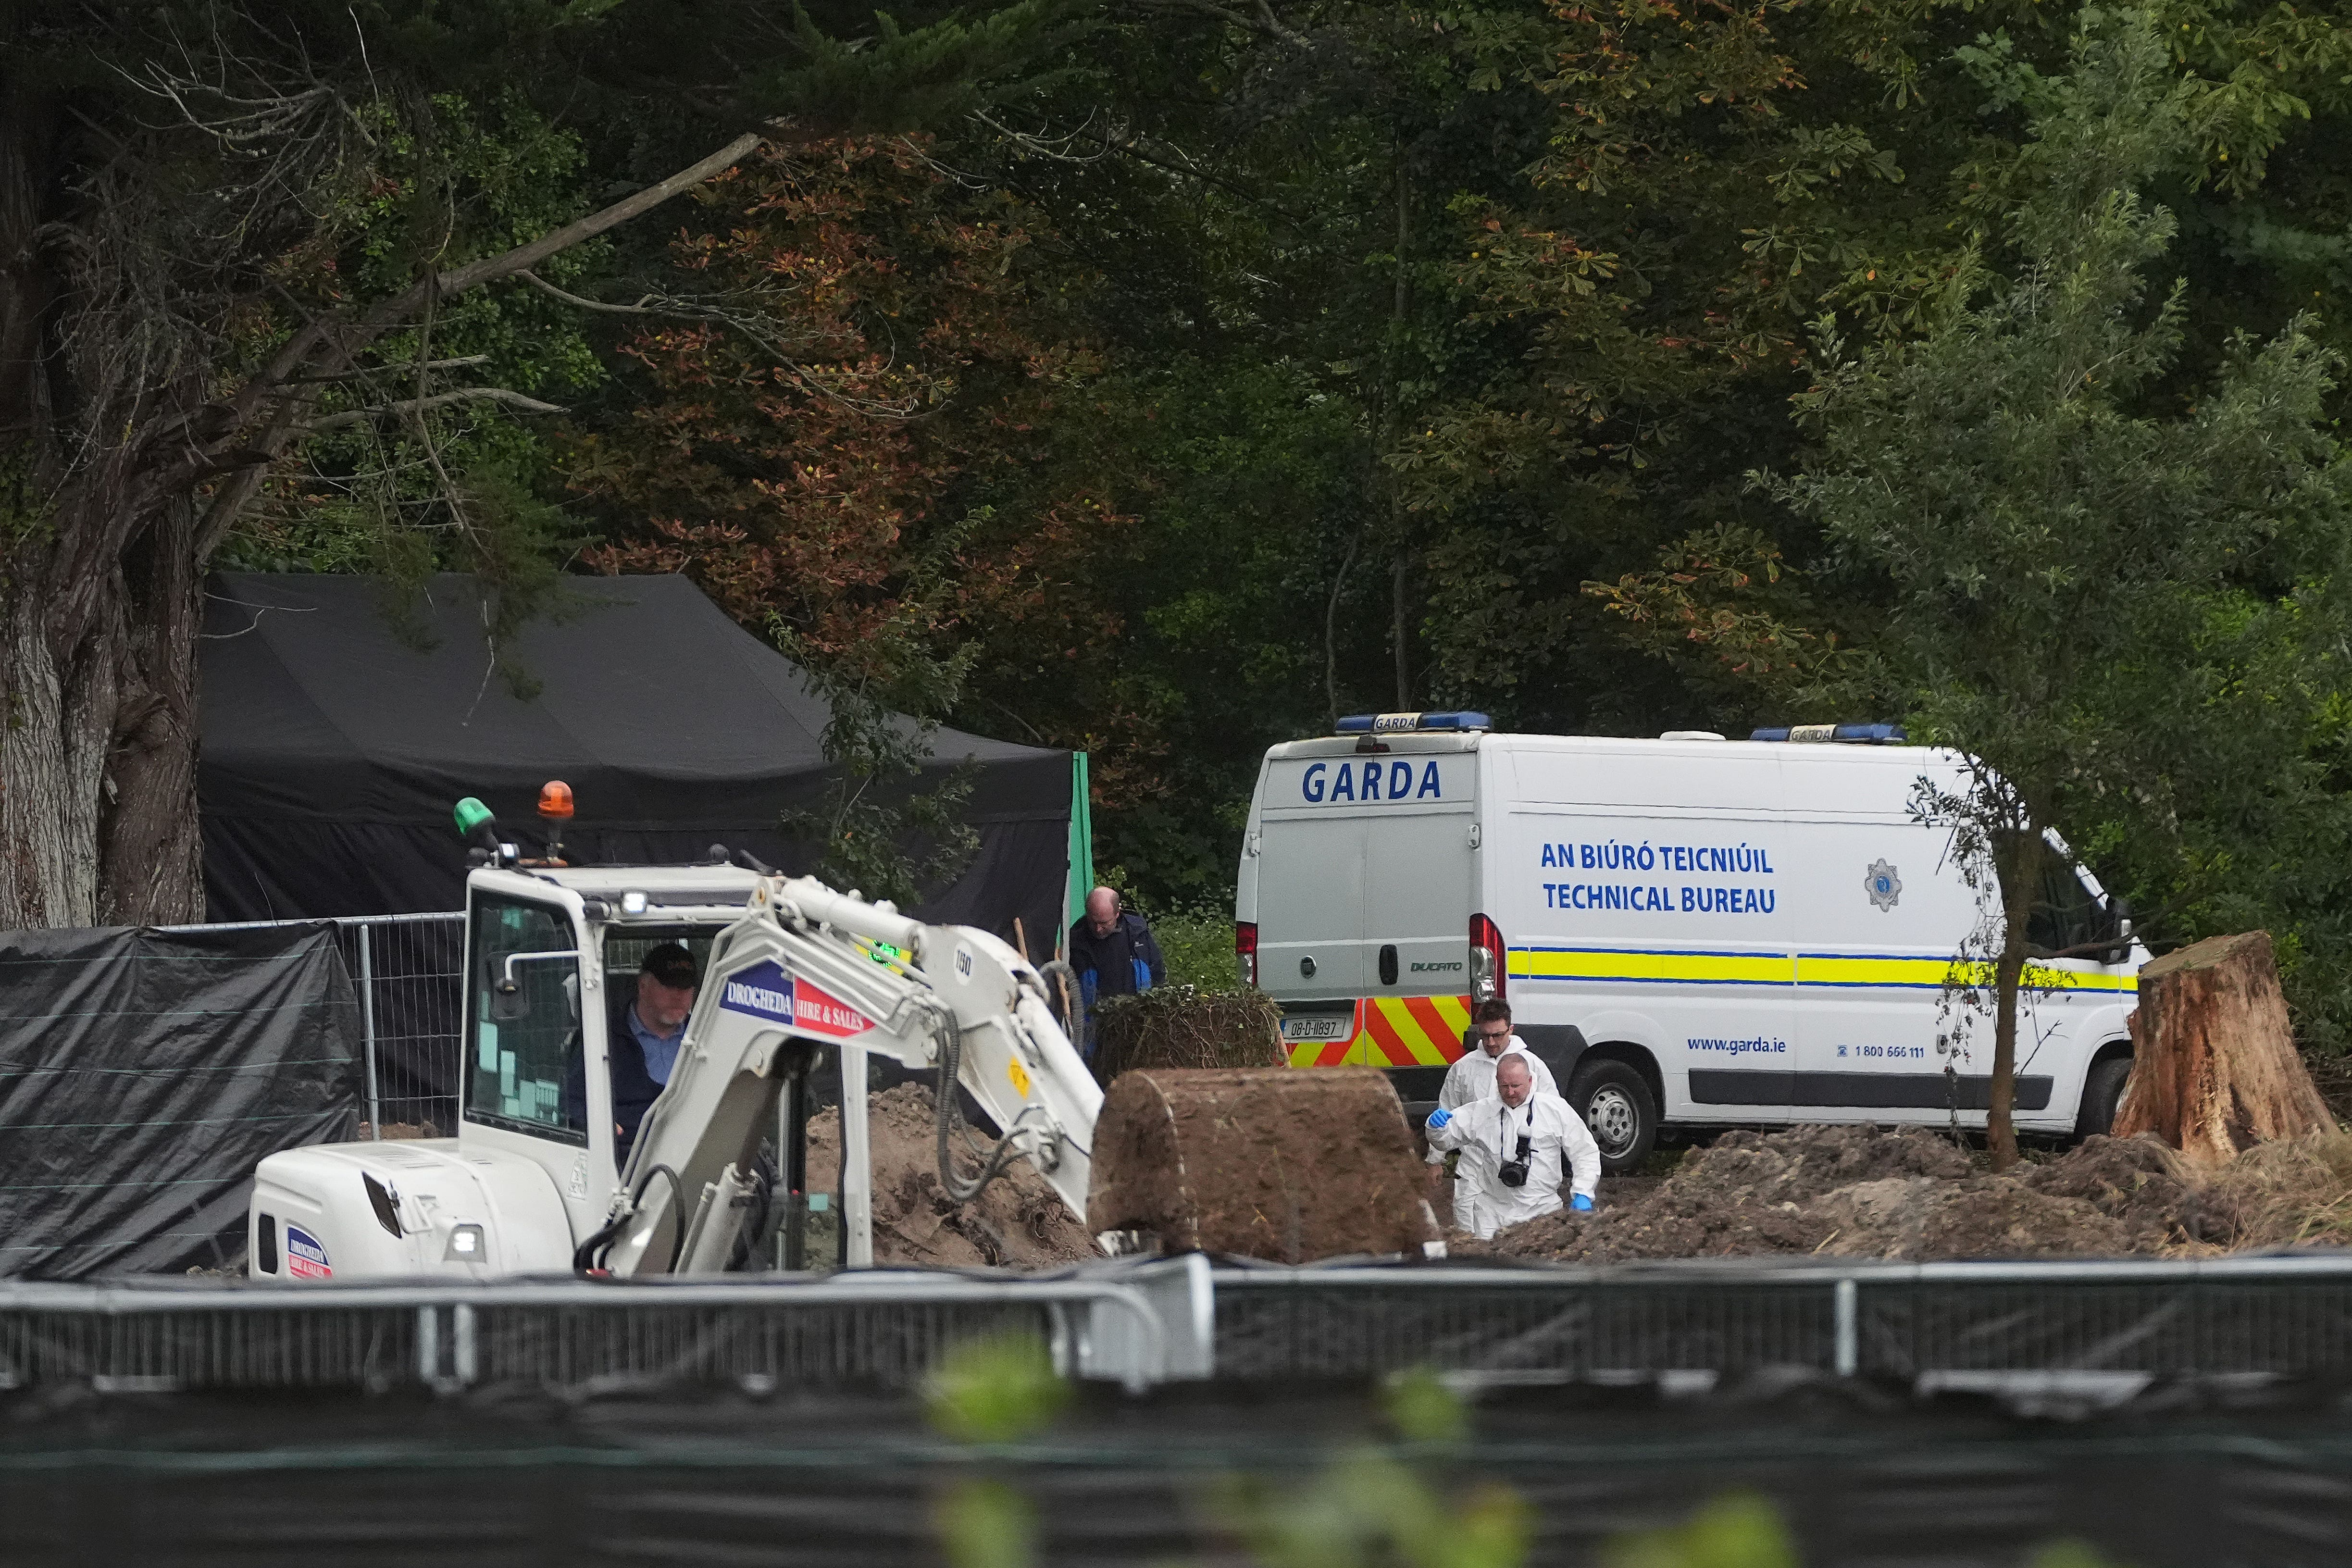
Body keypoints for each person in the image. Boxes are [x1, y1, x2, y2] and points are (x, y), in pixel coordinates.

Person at [1424, 1053, 1601, 1239]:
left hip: (1542, 1210)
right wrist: (1435, 1127)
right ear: (1497, 1082)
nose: (1510, 1093)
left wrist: (1583, 1191)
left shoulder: (1555, 1110)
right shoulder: (1483, 1111)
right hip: (1491, 1212)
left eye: (1516, 1086)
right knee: (1490, 1264)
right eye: (1504, 1086)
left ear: (1531, 1080)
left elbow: (1585, 1152)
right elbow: (1446, 1139)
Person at [564, 943, 700, 1169]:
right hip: (622, 1166)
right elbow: (574, 1104)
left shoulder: (703, 1038)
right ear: (643, 986)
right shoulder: (602, 1039)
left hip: (694, 1159)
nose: (679, 996)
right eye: (669, 987)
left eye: (686, 988)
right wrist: (600, 1126)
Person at [1427, 999, 1558, 1224]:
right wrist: (1435, 1160)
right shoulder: (1464, 1068)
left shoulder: (1532, 1066)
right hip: (1474, 1168)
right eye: (1485, 1035)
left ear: (1511, 1030)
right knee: (1469, 1233)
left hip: (1519, 1165)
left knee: (1521, 1233)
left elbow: (1554, 1114)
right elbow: (1447, 1112)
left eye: (1498, 1035)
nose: (1491, 1042)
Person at [1067, 887, 1166, 1042]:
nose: (1098, 929)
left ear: (1117, 913)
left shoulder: (1138, 934)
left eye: (1104, 923)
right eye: (1093, 922)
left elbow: (1158, 975)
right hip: (1093, 1033)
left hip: (1138, 1026)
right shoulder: (1075, 941)